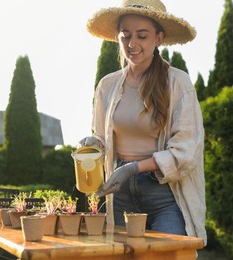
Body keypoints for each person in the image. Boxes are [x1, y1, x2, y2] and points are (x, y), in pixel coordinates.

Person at [79, 0, 207, 245]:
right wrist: (93, 143)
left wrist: (133, 168)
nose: (132, 44)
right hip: (120, 191)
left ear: (158, 38)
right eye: (125, 35)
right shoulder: (107, 85)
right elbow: (102, 136)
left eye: (142, 35)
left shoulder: (177, 83)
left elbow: (187, 151)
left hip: (164, 191)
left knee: (168, 253)